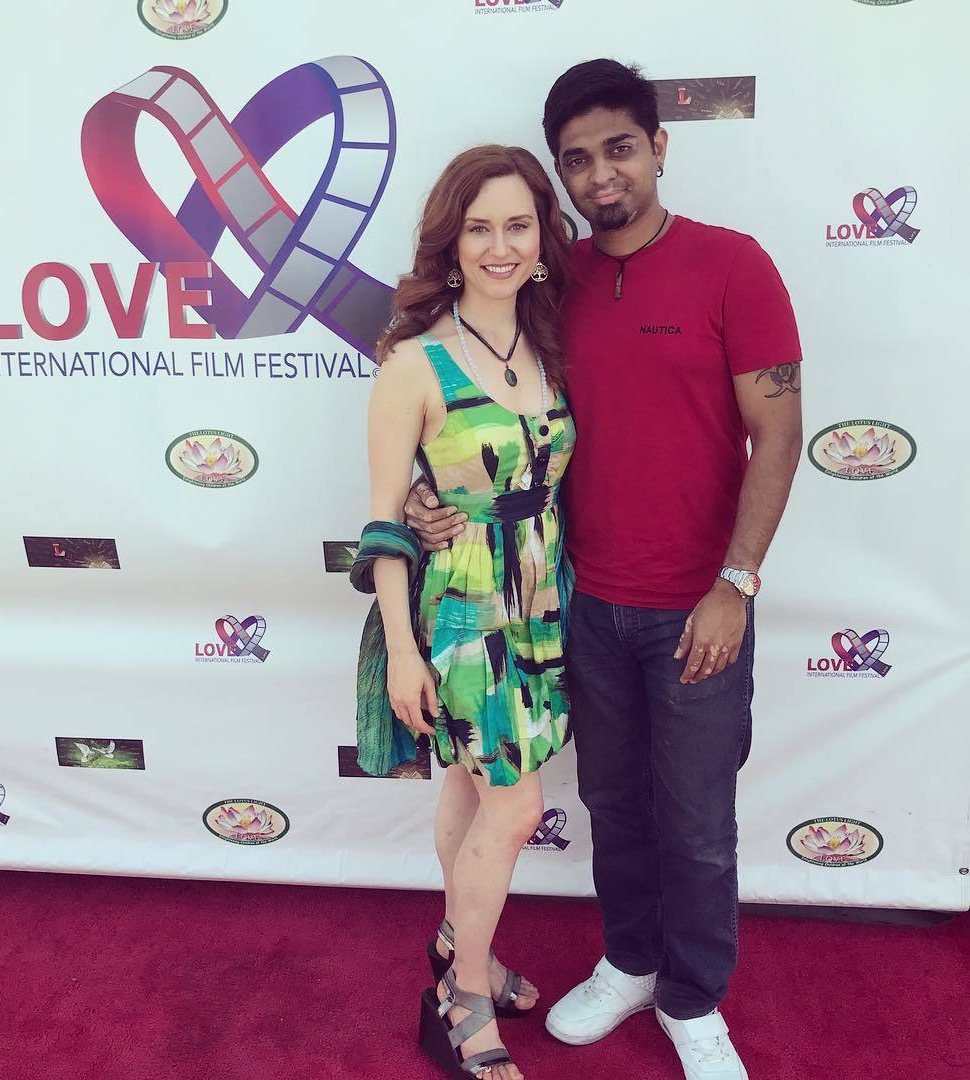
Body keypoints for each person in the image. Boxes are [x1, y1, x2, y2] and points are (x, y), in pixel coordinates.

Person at [405, 60, 803, 1080]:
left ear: (659, 147)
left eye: (619, 148)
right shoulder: (550, 282)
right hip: (572, 607)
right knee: (614, 807)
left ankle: (693, 999)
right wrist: (429, 499)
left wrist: (736, 584)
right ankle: (630, 962)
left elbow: (779, 431)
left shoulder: (734, 265)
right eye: (576, 160)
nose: (600, 175)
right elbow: (488, 408)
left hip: (697, 609)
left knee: (696, 823)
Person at [349, 144, 575, 1080]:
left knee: (473, 792)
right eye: (478, 228)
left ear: (543, 239)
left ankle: (455, 940)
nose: (499, 246)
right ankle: (464, 1000)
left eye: (518, 225)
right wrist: (405, 653)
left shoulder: (552, 345)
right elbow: (382, 525)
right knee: (516, 808)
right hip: (463, 619)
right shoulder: (413, 363)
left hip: (542, 603)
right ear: (451, 242)